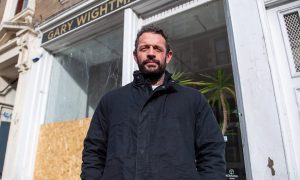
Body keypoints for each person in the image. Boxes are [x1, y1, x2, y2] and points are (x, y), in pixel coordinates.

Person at [81, 25, 226, 180]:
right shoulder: (111, 101)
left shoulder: (193, 100)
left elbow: (212, 153)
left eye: (157, 48)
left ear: (168, 56)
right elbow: (94, 152)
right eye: (144, 48)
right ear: (135, 56)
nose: (151, 53)